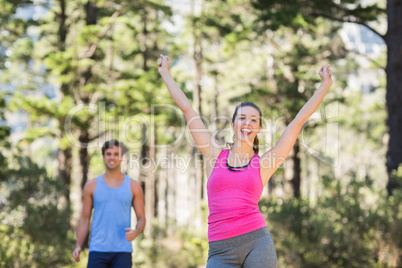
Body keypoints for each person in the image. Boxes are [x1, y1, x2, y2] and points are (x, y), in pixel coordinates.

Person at [158, 54, 333, 267]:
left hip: (256, 242)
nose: (247, 123)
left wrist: (324, 86)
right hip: (220, 250)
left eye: (253, 120)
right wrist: (165, 73)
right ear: (232, 124)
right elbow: (187, 109)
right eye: (241, 118)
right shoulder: (214, 155)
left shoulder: (264, 164)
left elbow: (298, 122)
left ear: (259, 128)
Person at [72, 139, 146, 268]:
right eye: (109, 154)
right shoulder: (91, 186)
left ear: (122, 157)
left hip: (122, 251)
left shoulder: (134, 186)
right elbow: (84, 218)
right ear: (103, 156)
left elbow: (142, 218)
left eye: (116, 154)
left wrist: (136, 231)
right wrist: (78, 245)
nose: (112, 157)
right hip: (97, 250)